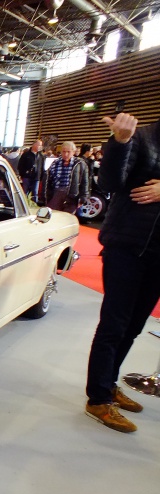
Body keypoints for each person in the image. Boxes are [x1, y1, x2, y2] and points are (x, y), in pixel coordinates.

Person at [84, 113, 160, 433]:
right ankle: (98, 398)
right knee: (115, 324)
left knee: (133, 326)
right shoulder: (143, 138)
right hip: (126, 247)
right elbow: (110, 183)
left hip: (158, 254)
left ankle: (108, 382)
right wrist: (120, 142)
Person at [40, 141, 89, 214]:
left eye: (68, 152)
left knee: (67, 218)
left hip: (72, 196)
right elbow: (48, 180)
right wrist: (45, 196)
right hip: (56, 194)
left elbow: (85, 182)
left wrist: (83, 198)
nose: (66, 154)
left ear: (73, 152)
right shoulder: (55, 163)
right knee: (53, 216)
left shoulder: (80, 164)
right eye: (63, 151)